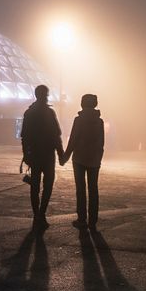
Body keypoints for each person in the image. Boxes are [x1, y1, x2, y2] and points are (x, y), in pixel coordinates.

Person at [20, 84, 64, 229]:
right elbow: (56, 135)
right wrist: (61, 153)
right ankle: (42, 213)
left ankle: (37, 214)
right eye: (46, 94)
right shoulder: (50, 113)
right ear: (44, 95)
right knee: (48, 184)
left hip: (35, 155)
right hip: (48, 155)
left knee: (35, 185)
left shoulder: (29, 113)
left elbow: (24, 136)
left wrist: (26, 154)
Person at [60, 94, 105, 229]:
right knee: (93, 189)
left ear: (82, 104)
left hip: (79, 159)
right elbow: (101, 142)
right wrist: (98, 157)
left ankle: (82, 219)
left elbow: (73, 139)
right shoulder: (99, 121)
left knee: (80, 189)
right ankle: (93, 220)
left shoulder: (78, 120)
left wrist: (65, 157)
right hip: (94, 159)